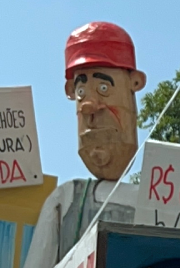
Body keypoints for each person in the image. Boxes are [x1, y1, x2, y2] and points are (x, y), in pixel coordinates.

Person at [23, 22, 145, 268]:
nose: (90, 106)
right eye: (81, 91)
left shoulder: (163, 201)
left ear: (134, 84)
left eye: (103, 88)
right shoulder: (66, 201)